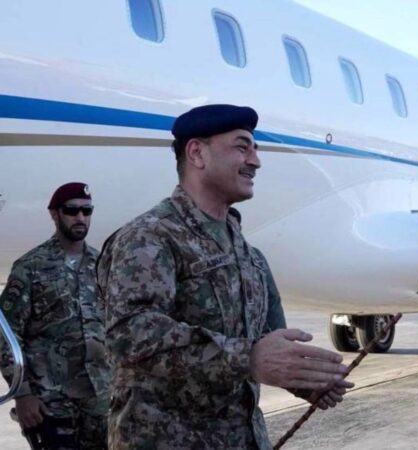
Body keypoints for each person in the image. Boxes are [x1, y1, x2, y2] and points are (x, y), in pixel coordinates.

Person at [96, 104, 351, 449]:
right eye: (242, 146)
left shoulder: (247, 252)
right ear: (197, 153)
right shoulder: (150, 236)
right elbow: (129, 335)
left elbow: (265, 339)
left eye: (255, 149)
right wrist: (248, 358)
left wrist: (305, 379)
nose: (256, 161)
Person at [0, 182, 110, 449]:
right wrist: (22, 394)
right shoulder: (31, 267)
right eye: (72, 210)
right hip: (51, 405)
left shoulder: (103, 265)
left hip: (100, 403)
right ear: (54, 214)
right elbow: (6, 337)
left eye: (87, 210)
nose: (81, 217)